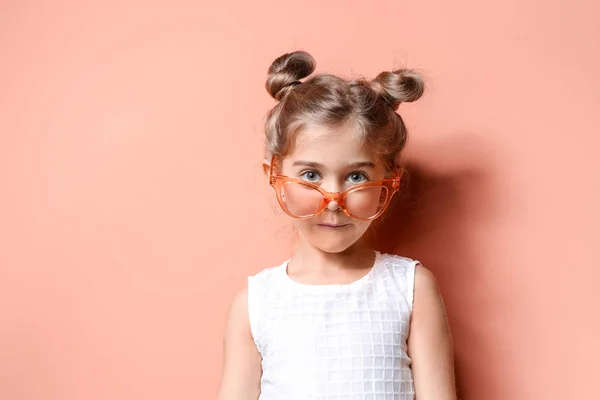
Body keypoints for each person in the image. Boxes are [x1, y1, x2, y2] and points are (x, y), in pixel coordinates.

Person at [217, 51, 457, 400]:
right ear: (275, 174)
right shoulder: (255, 304)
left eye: (355, 176)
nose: (333, 198)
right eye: (311, 174)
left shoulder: (410, 289)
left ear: (388, 180)